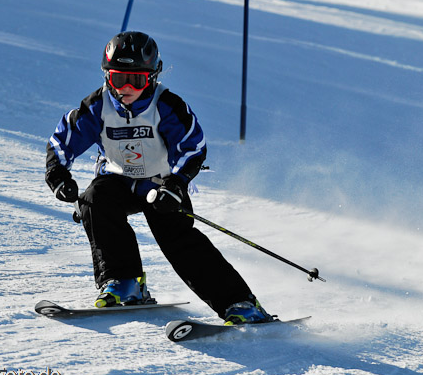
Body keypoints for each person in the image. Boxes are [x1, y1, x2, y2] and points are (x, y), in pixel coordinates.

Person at [45, 31, 271, 325]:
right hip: (118, 180)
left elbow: (192, 148)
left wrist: (177, 184)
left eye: (136, 80)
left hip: (162, 184)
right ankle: (125, 283)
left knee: (177, 237)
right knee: (93, 200)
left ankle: (239, 303)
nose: (126, 87)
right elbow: (63, 142)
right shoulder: (97, 106)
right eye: (117, 79)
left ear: (151, 77)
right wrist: (58, 174)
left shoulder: (167, 106)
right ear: (106, 77)